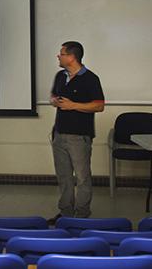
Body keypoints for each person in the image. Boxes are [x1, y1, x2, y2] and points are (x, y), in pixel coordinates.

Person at [48, 41, 105, 223]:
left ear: (71, 57)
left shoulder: (90, 79)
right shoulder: (60, 76)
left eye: (61, 53)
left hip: (79, 136)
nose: (58, 56)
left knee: (82, 177)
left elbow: (99, 105)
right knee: (63, 177)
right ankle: (65, 213)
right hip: (59, 134)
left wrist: (73, 105)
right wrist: (54, 101)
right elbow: (52, 97)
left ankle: (81, 215)